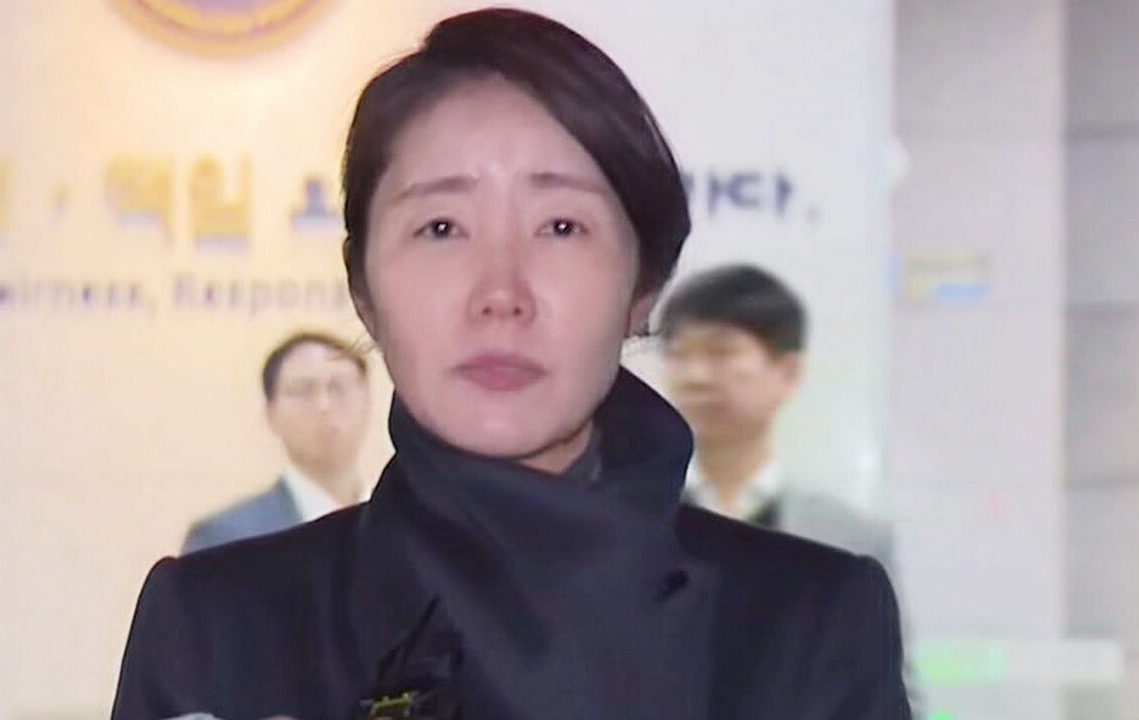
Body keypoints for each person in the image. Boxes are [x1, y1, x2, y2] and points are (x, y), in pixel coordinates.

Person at [111, 9, 912, 720]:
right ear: (363, 292)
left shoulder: (805, 623)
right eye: (440, 229)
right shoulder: (218, 627)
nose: (500, 294)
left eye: (561, 227)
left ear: (641, 289)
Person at [659, 264, 896, 571]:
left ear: (788, 372)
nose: (695, 377)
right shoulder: (631, 517)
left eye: (721, 352)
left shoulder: (852, 538)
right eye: (678, 353)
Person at [181, 332, 372, 555]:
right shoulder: (224, 539)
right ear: (270, 414)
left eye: (338, 387)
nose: (324, 405)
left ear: (367, 401)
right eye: (303, 391)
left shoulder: (402, 522)